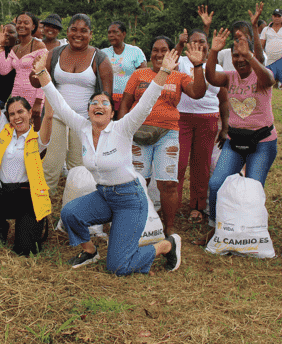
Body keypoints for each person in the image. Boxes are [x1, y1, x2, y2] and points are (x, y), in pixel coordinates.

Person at [36, 47, 183, 274]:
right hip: (104, 196)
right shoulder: (82, 128)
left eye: (105, 103)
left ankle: (166, 245)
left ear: (112, 113)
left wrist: (163, 73)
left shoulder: (123, 128)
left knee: (118, 267)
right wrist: (43, 76)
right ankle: (90, 251)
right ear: (88, 111)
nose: (99, 105)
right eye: (94, 103)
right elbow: (60, 104)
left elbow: (145, 103)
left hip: (130, 200)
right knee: (70, 213)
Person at [0, 44, 54, 256]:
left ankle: (32, 227)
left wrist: (44, 74)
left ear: (29, 112)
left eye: (20, 112)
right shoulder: (2, 132)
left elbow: (49, 115)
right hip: (3, 194)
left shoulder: (37, 138)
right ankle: (1, 227)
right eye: (12, 113)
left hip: (28, 197)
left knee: (24, 251)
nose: (16, 117)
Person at [118, 36, 207, 234]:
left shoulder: (179, 76)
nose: (159, 54)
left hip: (168, 133)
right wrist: (122, 131)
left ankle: (170, 227)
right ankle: (135, 224)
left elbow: (198, 92)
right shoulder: (139, 74)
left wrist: (198, 65)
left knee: (167, 183)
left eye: (164, 50)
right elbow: (125, 103)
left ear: (171, 53)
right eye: (155, 50)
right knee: (139, 182)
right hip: (138, 134)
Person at [203, 29, 277, 242]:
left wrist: (251, 54)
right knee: (216, 184)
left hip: (262, 142)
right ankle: (215, 228)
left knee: (253, 188)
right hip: (234, 142)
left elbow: (269, 79)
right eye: (236, 55)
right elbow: (211, 77)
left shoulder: (262, 77)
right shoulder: (229, 77)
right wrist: (214, 51)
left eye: (244, 54)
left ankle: (250, 230)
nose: (240, 59)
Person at [33, 14, 113, 193]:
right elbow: (36, 82)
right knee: (51, 163)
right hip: (56, 116)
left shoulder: (100, 59)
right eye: (74, 30)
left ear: (91, 34)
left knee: (79, 165)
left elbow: (107, 98)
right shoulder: (55, 54)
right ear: (67, 32)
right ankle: (44, 205)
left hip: (84, 120)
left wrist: (102, 126)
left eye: (84, 31)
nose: (78, 34)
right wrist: (36, 71)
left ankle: (76, 203)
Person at [174, 28, 229, 224]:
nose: (199, 45)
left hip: (208, 120)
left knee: (201, 165)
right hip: (182, 119)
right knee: (178, 164)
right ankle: (174, 203)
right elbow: (169, 63)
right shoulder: (181, 63)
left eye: (203, 41)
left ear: (208, 44)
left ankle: (197, 206)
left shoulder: (217, 68)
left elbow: (224, 101)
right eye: (194, 41)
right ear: (189, 45)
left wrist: (225, 127)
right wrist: (179, 45)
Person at [0, 12, 46, 128]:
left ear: (33, 26)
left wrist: (39, 102)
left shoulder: (39, 46)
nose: (22, 25)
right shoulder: (15, 48)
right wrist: (1, 46)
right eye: (19, 22)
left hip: (34, 95)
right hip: (17, 95)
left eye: (26, 23)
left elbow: (44, 74)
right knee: (18, 128)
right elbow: (3, 70)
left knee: (34, 132)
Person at [101, 21, 147, 112]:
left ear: (123, 34)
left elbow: (144, 76)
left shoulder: (135, 51)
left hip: (129, 98)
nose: (111, 35)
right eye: (109, 32)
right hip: (108, 99)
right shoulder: (103, 53)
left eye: (115, 32)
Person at [260, 8, 282, 113]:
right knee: (266, 83)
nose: (277, 18)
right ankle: (264, 106)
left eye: (279, 16)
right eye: (275, 16)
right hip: (269, 60)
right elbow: (261, 45)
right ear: (272, 17)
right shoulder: (266, 29)